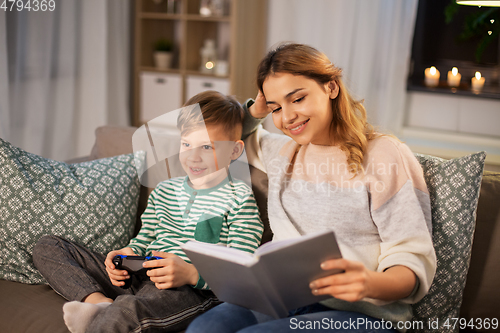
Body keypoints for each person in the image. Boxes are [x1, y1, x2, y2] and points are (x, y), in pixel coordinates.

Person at [186, 43, 436, 333]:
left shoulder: (385, 154)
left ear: (331, 88)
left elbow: (411, 258)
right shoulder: (282, 151)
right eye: (276, 107)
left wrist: (369, 283)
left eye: (298, 98)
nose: (287, 117)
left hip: (363, 316)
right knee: (203, 330)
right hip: (283, 300)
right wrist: (257, 109)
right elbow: (230, 139)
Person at [32, 90, 264, 333]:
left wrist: (193, 274)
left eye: (206, 147)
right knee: (49, 246)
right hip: (142, 271)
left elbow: (242, 268)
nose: (193, 157)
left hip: (189, 289)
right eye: (186, 144)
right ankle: (98, 303)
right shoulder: (164, 190)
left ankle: (109, 315)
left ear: (234, 151)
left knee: (126, 314)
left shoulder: (238, 197)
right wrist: (126, 253)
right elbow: (145, 238)